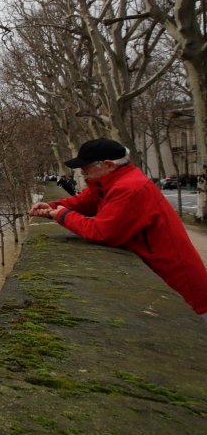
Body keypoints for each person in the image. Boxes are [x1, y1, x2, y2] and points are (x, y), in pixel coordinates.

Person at [29, 138, 207, 321]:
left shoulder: (129, 188)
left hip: (182, 288)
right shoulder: (113, 181)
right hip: (166, 280)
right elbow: (87, 201)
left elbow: (102, 232)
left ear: (107, 165)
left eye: (86, 167)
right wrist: (52, 205)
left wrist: (62, 215)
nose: (82, 172)